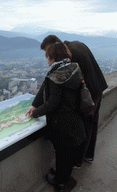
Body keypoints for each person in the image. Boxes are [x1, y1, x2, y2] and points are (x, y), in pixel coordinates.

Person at [26, 42, 86, 190]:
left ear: (53, 57)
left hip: (62, 123)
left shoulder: (56, 76)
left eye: (48, 57)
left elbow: (53, 103)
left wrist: (35, 113)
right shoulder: (73, 68)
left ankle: (60, 180)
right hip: (75, 118)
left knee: (62, 153)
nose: (47, 61)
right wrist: (35, 103)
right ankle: (63, 174)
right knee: (69, 153)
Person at [40, 35, 108, 166]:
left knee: (85, 126)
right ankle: (89, 155)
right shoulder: (77, 44)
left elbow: (55, 77)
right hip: (98, 87)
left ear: (56, 44)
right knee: (92, 123)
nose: (50, 55)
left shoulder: (69, 54)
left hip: (89, 93)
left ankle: (78, 161)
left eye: (49, 51)